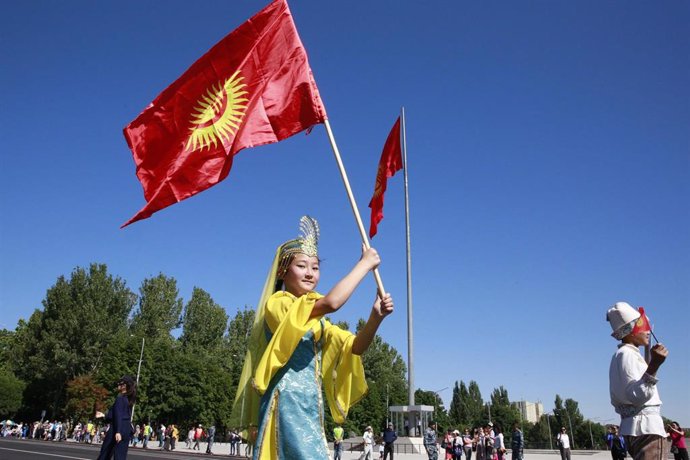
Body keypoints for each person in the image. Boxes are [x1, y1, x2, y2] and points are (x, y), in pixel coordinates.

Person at [230, 216, 394, 459]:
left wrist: (375, 318)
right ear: (283, 272)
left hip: (310, 404)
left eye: (315, 267)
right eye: (302, 266)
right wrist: (363, 265)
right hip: (285, 401)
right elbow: (332, 302)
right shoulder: (278, 304)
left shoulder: (318, 322)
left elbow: (355, 347)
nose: (310, 274)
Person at [607, 302, 670, 460]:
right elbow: (637, 395)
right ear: (629, 331)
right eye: (642, 325)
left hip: (635, 428)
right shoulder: (628, 355)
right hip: (647, 429)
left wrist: (650, 355)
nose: (647, 330)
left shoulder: (621, 355)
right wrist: (655, 365)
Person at [96, 376, 136, 460]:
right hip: (126, 428)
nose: (118, 384)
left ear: (125, 386)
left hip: (117, 428)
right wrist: (104, 415)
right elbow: (119, 414)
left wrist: (118, 431)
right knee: (120, 456)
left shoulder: (120, 398)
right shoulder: (128, 399)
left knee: (105, 454)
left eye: (120, 382)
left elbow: (118, 416)